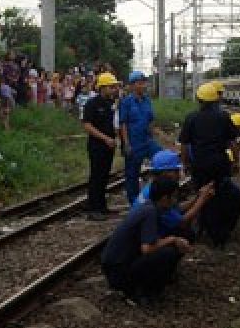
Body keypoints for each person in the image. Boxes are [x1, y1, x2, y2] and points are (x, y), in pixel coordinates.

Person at [100, 175, 192, 305]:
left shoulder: (149, 207)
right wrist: (173, 239)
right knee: (169, 253)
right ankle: (140, 292)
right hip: (118, 272)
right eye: (174, 197)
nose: (176, 201)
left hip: (116, 267)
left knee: (172, 243)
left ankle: (146, 289)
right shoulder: (150, 212)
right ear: (165, 198)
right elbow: (147, 249)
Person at [179, 82, 240, 247]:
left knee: (203, 196)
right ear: (215, 100)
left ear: (199, 100)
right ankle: (218, 232)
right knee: (221, 196)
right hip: (220, 165)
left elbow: (185, 145)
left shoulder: (191, 118)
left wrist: (186, 164)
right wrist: (235, 162)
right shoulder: (223, 117)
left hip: (199, 166)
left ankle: (204, 228)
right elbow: (232, 143)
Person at [132, 150, 216, 240]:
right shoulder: (160, 192)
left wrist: (197, 197)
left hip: (144, 230)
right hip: (144, 237)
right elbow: (182, 222)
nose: (179, 175)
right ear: (164, 172)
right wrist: (202, 200)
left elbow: (176, 208)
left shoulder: (155, 186)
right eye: (175, 171)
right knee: (187, 235)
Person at [81, 72, 121, 220]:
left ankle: (102, 206)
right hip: (97, 146)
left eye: (114, 87)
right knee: (96, 176)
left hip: (109, 146)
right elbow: (87, 125)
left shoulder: (111, 104)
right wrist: (105, 138)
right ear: (102, 87)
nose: (114, 89)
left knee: (104, 176)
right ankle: (93, 209)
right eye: (111, 87)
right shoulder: (92, 104)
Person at [119, 70, 161, 204]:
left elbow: (150, 121)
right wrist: (126, 144)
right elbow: (123, 124)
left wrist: (155, 136)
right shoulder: (126, 102)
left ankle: (158, 195)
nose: (143, 85)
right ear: (132, 86)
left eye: (144, 82)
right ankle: (134, 203)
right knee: (132, 174)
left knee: (162, 160)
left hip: (147, 141)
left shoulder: (147, 101)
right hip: (133, 142)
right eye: (140, 83)